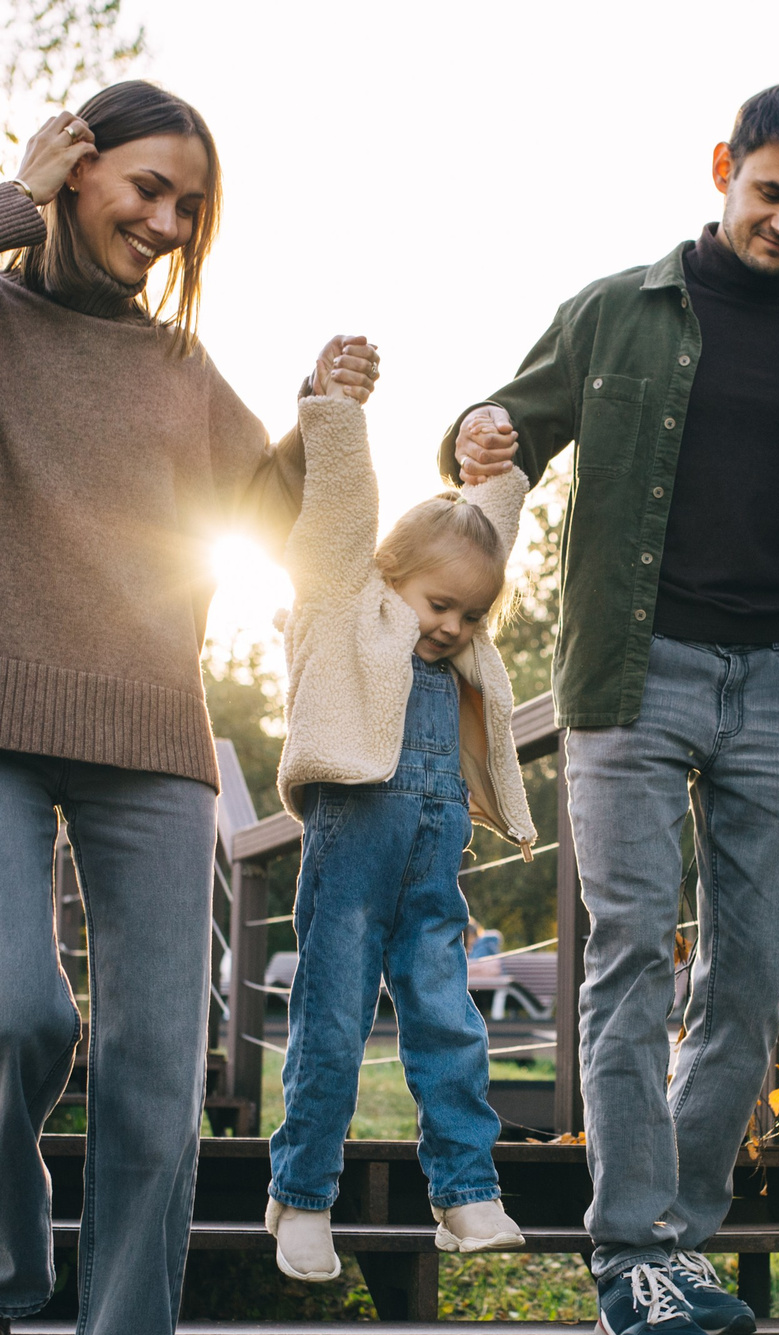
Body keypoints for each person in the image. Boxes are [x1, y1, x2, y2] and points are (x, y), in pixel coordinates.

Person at [0, 78, 378, 1335]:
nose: (166, 219)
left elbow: (265, 522)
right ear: (73, 169)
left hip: (146, 735)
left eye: (188, 204)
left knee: (155, 1065)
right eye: (144, 186)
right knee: (12, 1007)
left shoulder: (176, 371)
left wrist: (320, 420)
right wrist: (11, 195)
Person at [443, 85, 779, 1335]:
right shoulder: (615, 313)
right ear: (724, 171)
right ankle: (630, 1252)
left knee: (749, 975)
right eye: (771, 194)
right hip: (635, 674)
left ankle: (678, 1239)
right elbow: (506, 428)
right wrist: (473, 433)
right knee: (632, 954)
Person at [260, 392, 537, 1280]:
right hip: (351, 854)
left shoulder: (457, 641)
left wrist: (486, 467)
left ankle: (464, 1192)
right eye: (440, 605)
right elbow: (338, 512)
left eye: (472, 616)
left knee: (449, 1020)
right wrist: (336, 407)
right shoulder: (349, 607)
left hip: (430, 862)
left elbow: (483, 532)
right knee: (333, 1026)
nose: (453, 627)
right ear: (389, 575)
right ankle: (302, 1197)